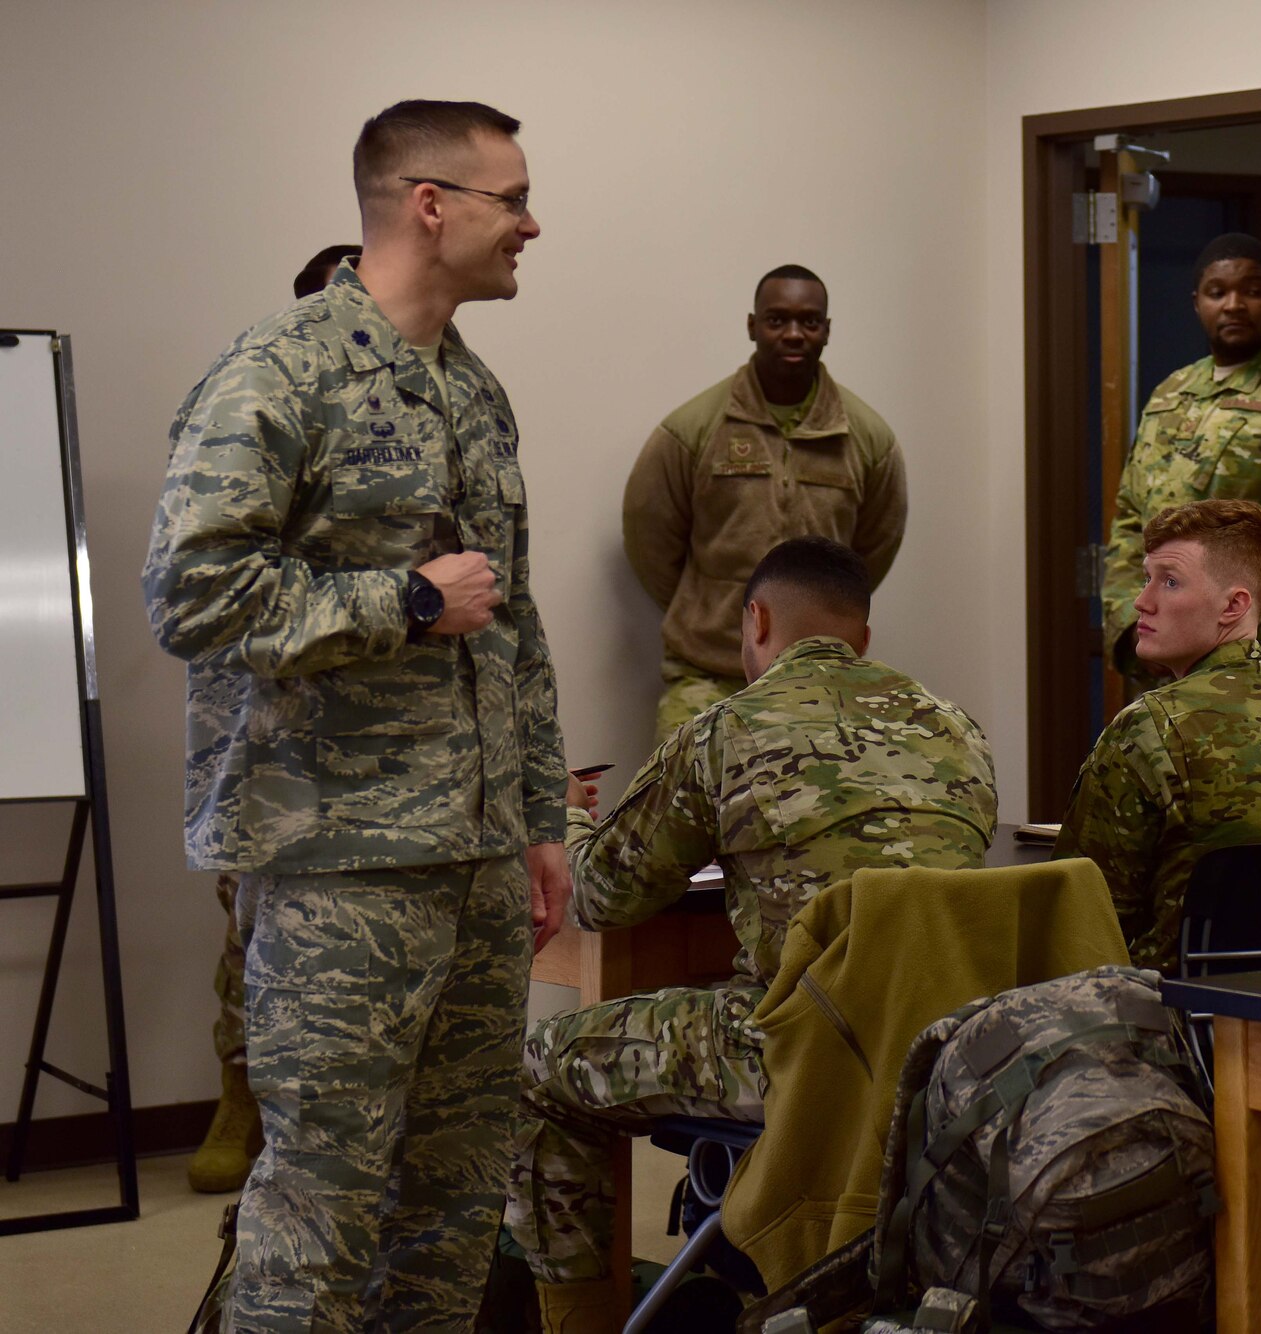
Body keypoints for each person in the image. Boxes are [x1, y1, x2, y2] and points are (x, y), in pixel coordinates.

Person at [142, 100, 568, 1331]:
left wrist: (540, 817)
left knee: (452, 1205)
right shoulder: (276, 372)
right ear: (429, 204)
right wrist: (403, 599)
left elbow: (515, 620)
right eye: (512, 198)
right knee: (320, 1207)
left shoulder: (473, 391)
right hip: (340, 862)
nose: (532, 224)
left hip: (477, 855)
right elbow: (192, 593)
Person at [508, 536, 998, 1333]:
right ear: (861, 636)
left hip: (802, 1050)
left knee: (540, 1063)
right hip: (948, 1055)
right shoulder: (958, 730)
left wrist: (564, 810)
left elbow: (599, 894)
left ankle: (579, 1322)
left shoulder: (726, 730)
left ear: (757, 621)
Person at [186, 240, 368, 1198]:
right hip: (271, 728)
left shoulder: (421, 417)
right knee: (256, 929)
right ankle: (240, 1098)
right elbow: (208, 598)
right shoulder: (259, 405)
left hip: (385, 735)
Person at [1058, 499, 1261, 972]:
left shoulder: (1150, 729)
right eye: (1147, 578)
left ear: (1233, 605)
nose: (1142, 602)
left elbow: (1082, 920)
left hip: (1170, 1021)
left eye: (1170, 581)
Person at [622, 266, 908, 742]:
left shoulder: (868, 438)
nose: (793, 334)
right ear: (752, 325)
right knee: (690, 811)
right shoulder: (692, 429)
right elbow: (649, 538)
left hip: (822, 680)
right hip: (707, 673)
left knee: (815, 813)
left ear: (827, 330)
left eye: (809, 322)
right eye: (777, 320)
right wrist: (711, 607)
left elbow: (871, 551)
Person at [1102, 233, 1261, 694]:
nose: (1234, 305)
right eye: (1218, 292)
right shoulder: (1172, 392)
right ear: (1197, 303)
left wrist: (1196, 635)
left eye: (1253, 290)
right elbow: (1130, 520)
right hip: (1165, 667)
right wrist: (1134, 622)